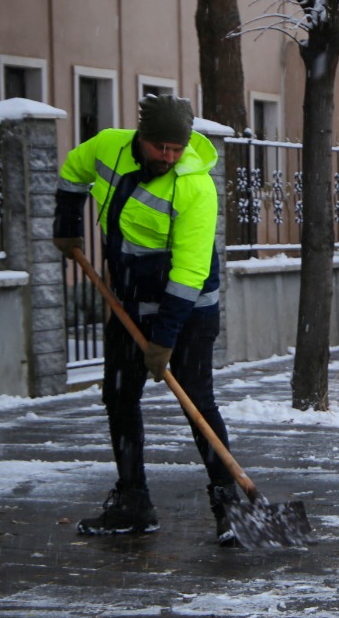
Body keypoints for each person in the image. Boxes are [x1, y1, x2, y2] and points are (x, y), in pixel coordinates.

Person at [51, 94, 239, 543]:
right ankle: (133, 501)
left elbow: (190, 271)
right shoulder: (108, 148)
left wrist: (164, 340)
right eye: (160, 148)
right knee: (119, 397)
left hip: (188, 309)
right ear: (141, 137)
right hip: (128, 303)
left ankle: (228, 504)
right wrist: (66, 223)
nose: (169, 157)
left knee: (197, 401)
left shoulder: (196, 186)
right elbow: (73, 170)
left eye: (177, 148)